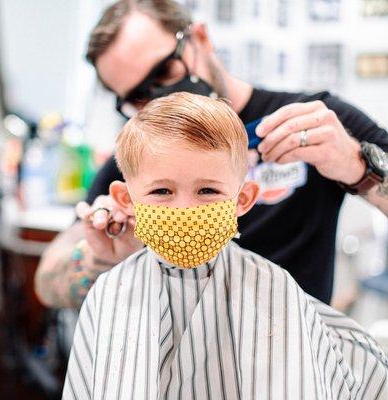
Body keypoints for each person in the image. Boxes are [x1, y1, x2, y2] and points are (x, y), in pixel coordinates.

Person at [35, 0, 388, 309]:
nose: (160, 96)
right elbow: (47, 281)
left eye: (164, 71)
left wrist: (356, 165)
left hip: (291, 359)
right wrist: (99, 257)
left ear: (200, 39)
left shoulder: (311, 119)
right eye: (138, 95)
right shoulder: (136, 156)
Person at [62, 92, 388, 400]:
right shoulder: (110, 292)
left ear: (243, 199)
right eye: (162, 191)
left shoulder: (273, 291)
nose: (184, 210)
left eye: (207, 191)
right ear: (125, 199)